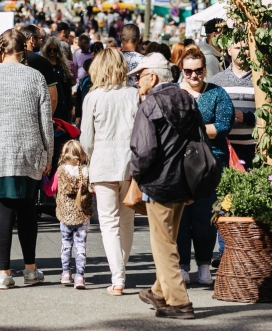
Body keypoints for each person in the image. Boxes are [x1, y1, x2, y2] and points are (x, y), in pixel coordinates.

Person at [0, 29, 54, 289]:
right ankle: (30, 269)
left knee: (1, 210)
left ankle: (4, 274)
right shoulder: (35, 77)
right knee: (28, 209)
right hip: (27, 150)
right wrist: (48, 153)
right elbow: (46, 122)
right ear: (24, 50)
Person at [129, 52, 201, 320]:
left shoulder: (150, 105)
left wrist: (136, 174)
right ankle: (159, 292)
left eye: (139, 76)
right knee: (168, 240)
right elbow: (199, 140)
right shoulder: (187, 99)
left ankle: (180, 302)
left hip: (159, 182)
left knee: (163, 245)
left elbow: (144, 151)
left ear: (153, 76)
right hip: (183, 180)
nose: (137, 82)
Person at [78, 48, 140, 295]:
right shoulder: (133, 95)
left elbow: (86, 139)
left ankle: (118, 277)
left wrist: (90, 158)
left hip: (103, 162)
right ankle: (120, 270)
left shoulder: (93, 97)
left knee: (108, 223)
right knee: (127, 220)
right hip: (129, 163)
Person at [176, 45, 234, 284]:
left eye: (198, 71)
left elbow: (223, 126)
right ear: (181, 70)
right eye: (188, 71)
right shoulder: (173, 93)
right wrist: (203, 130)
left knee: (204, 219)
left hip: (210, 164)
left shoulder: (217, 93)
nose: (193, 76)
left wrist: (191, 130)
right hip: (178, 165)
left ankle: (203, 264)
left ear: (204, 69)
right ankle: (181, 266)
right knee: (180, 219)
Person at [210, 40, 257, 168]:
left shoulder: (259, 80)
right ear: (229, 51)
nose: (242, 52)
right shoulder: (217, 81)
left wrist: (249, 118)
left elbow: (270, 115)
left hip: (253, 150)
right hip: (225, 148)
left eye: (245, 48)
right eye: (237, 48)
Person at [56, 140, 94, 290]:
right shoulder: (87, 171)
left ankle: (66, 272)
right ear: (82, 156)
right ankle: (80, 276)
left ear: (65, 155)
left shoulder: (61, 171)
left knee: (66, 244)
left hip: (65, 215)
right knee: (80, 246)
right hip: (82, 215)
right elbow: (93, 189)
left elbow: (51, 188)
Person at [19, 24, 59, 113]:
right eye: (40, 39)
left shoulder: (12, 61)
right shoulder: (43, 62)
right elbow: (53, 98)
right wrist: (46, 121)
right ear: (32, 40)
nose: (41, 42)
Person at [42, 37, 76, 121]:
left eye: (55, 50)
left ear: (58, 50)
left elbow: (67, 87)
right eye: (50, 50)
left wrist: (70, 106)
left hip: (62, 104)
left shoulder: (63, 66)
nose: (52, 52)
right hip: (47, 103)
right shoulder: (43, 65)